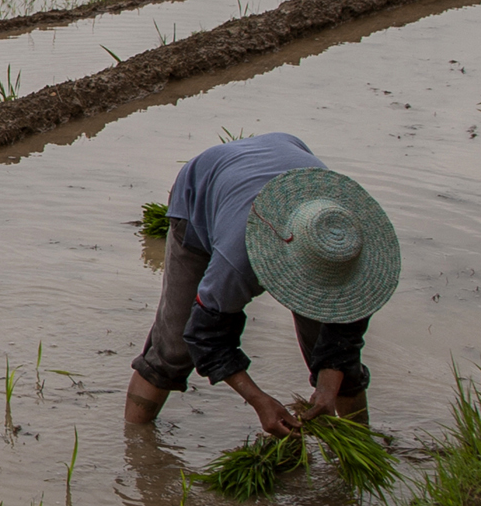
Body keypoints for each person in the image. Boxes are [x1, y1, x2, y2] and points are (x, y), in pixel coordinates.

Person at [126, 133, 399, 435]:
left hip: (286, 160)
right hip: (203, 188)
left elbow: (345, 329)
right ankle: (136, 447)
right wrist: (259, 400)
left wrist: (328, 385)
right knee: (173, 349)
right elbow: (205, 334)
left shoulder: (349, 247)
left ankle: (357, 448)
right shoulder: (237, 260)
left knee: (339, 363)